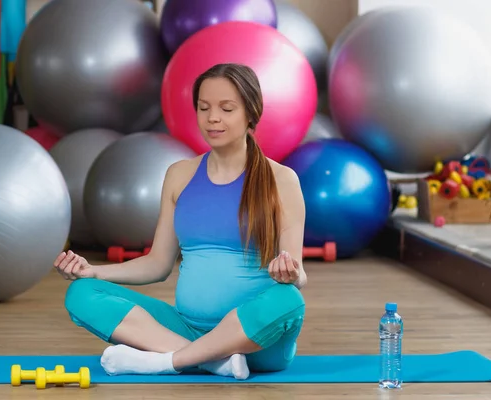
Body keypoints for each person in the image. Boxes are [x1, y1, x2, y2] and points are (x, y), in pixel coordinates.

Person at [54, 63, 308, 380]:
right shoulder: (179, 175)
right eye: (204, 108)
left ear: (251, 113)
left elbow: (298, 276)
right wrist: (94, 271)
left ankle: (166, 361)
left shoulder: (282, 180)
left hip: (257, 342)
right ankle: (213, 361)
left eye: (226, 108)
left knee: (289, 301)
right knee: (82, 293)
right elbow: (158, 264)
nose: (212, 118)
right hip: (187, 329)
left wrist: (290, 273)